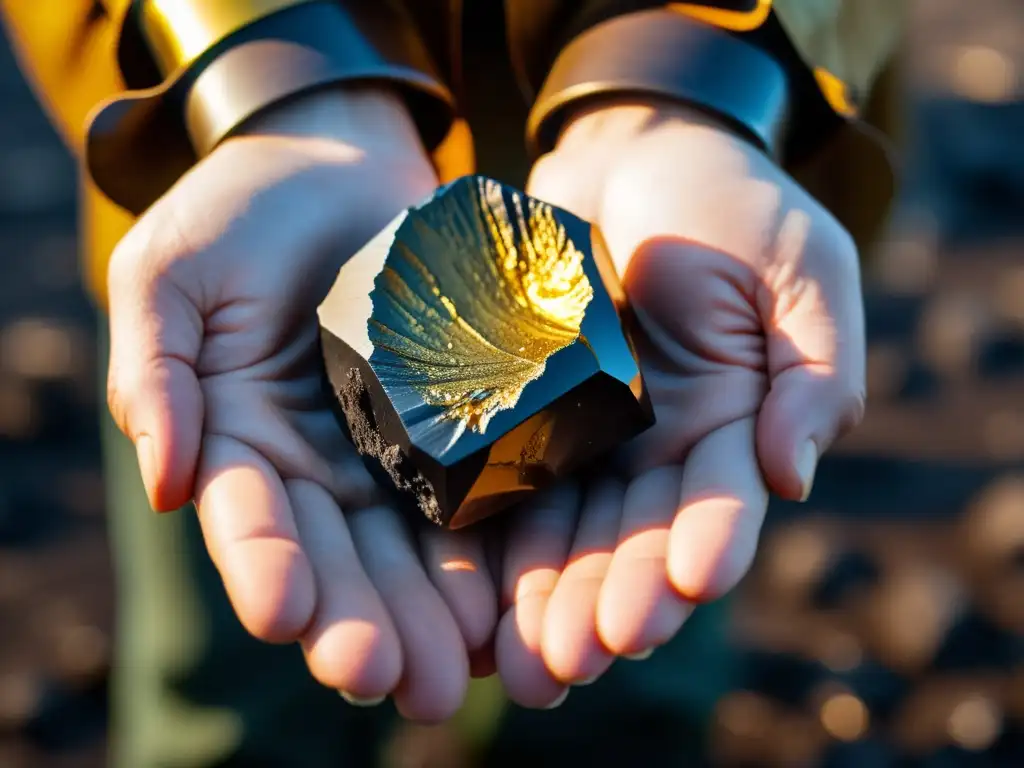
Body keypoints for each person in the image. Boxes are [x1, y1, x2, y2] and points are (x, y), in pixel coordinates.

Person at [1, 1, 903, 765]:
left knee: (626, 693)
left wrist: (696, 74)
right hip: (237, 166)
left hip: (665, 187)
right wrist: (257, 67)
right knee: (231, 683)